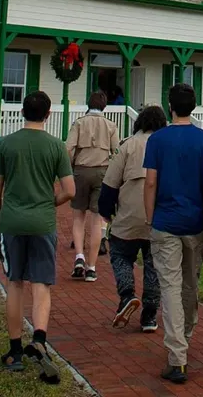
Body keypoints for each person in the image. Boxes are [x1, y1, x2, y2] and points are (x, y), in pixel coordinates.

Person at [0, 89, 75, 384]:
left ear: (22, 111)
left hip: (12, 222)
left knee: (15, 283)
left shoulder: (6, 145)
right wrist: (50, 204)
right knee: (41, 285)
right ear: (48, 115)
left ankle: (14, 352)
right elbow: (70, 190)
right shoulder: (56, 146)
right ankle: (39, 339)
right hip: (42, 223)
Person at [144, 82, 203, 385]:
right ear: (195, 105)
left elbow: (150, 183)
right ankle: (183, 338)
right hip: (196, 221)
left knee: (171, 287)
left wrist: (151, 219)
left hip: (165, 221)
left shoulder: (157, 140)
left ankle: (178, 356)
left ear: (169, 105)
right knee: (190, 284)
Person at [101, 104, 166, 333]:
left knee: (120, 255)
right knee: (153, 265)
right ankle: (149, 314)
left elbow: (110, 183)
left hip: (128, 217)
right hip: (158, 216)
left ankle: (127, 294)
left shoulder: (127, 145)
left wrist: (105, 210)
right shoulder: (165, 146)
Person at [66, 89, 120, 282]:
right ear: (104, 106)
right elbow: (117, 153)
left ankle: (79, 256)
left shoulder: (79, 123)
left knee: (78, 217)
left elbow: (68, 147)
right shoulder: (111, 125)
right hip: (102, 172)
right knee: (97, 221)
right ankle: (91, 267)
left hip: (81, 169)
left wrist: (70, 167)